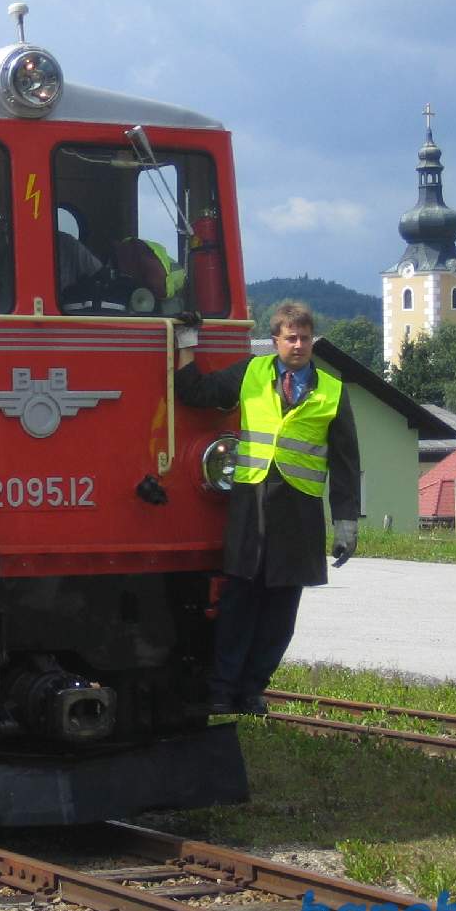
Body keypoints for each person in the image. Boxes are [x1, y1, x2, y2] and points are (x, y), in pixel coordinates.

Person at [174, 300, 360, 716]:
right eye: (290, 338)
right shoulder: (252, 373)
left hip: (298, 514)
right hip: (251, 509)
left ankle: (253, 689)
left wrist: (347, 522)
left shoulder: (333, 390)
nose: (298, 345)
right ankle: (223, 690)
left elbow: (346, 463)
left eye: (305, 338)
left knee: (281, 614)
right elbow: (195, 392)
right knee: (239, 604)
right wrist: (187, 342)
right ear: (275, 340)